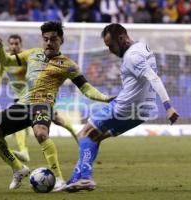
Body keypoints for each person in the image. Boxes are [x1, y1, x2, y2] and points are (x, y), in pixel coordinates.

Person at [0, 21, 113, 191]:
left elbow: (86, 88)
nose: (49, 43)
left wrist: (105, 98)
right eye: (45, 39)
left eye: (53, 39)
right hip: (23, 104)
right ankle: (18, 168)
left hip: (43, 104)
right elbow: (6, 61)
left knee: (41, 133)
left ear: (61, 41)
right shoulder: (32, 54)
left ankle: (58, 178)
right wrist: (0, 48)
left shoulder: (68, 65)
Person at [65, 23, 179, 192]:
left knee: (84, 134)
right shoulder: (144, 47)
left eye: (110, 45)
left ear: (122, 39)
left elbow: (153, 78)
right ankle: (76, 178)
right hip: (142, 113)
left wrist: (168, 106)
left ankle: (85, 177)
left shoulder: (132, 56)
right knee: (95, 137)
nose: (110, 50)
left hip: (124, 107)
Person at [0, 34, 79, 162]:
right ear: (8, 45)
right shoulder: (5, 60)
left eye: (17, 44)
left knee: (57, 119)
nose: (14, 46)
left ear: (21, 45)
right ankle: (24, 151)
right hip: (19, 97)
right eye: (11, 44)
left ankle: (78, 136)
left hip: (35, 96)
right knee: (17, 120)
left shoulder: (26, 59)